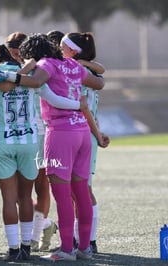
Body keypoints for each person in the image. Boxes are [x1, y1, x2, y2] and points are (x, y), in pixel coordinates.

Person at [0, 33, 108, 261]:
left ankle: (67, 249)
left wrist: (9, 74)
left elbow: (36, 82)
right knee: (80, 192)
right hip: (82, 133)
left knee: (62, 195)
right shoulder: (70, 63)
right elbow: (99, 83)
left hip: (61, 134)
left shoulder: (45, 64)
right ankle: (85, 248)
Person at [60, 31, 110, 253]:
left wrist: (97, 134)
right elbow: (101, 73)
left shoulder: (80, 72)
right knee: (75, 189)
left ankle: (89, 240)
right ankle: (83, 239)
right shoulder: (84, 69)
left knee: (83, 189)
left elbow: (85, 108)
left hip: (82, 133)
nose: (60, 51)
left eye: (63, 47)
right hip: (82, 132)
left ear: (73, 51)